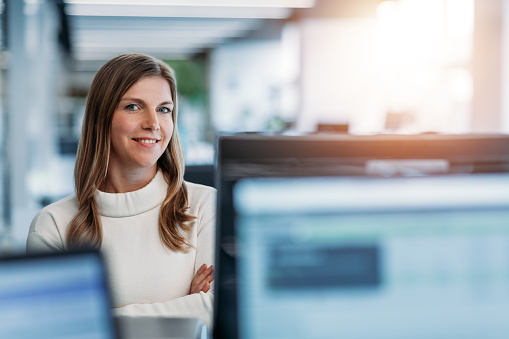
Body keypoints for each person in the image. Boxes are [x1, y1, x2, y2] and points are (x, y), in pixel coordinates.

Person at [26, 53, 216, 328]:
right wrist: (184, 308)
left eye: (164, 109)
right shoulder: (54, 225)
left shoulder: (204, 206)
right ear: (102, 117)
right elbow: (52, 330)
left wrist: (98, 318)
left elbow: (215, 308)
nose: (153, 123)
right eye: (133, 107)